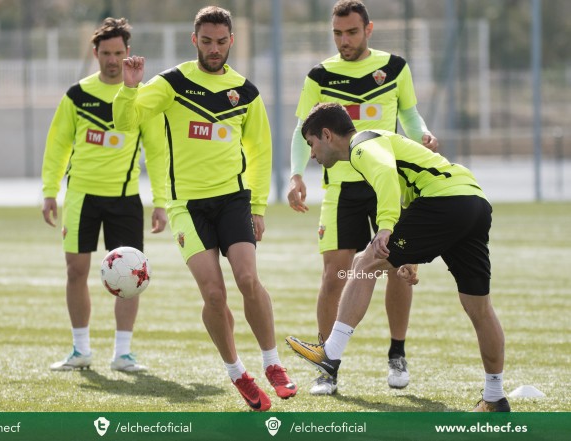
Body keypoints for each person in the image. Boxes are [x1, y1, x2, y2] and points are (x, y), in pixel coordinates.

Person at [113, 6, 297, 412]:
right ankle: (238, 373)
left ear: (231, 41)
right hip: (186, 207)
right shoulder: (172, 83)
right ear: (194, 40)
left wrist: (259, 205)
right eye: (207, 41)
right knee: (214, 294)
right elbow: (126, 124)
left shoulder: (245, 92)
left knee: (248, 279)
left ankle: (273, 363)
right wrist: (129, 88)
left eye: (222, 42)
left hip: (233, 200)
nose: (215, 49)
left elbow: (260, 153)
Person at [286, 102, 509, 412]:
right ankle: (495, 396)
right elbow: (412, 198)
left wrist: (385, 226)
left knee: (366, 261)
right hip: (473, 202)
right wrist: (407, 256)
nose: (311, 153)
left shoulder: (362, 145)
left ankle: (330, 355)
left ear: (327, 135)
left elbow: (386, 175)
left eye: (311, 143)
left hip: (444, 201)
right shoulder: (380, 142)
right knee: (479, 307)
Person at [287, 0, 438, 395]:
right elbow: (301, 130)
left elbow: (410, 114)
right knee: (334, 275)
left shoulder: (396, 68)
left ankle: (397, 352)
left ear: (368, 30)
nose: (344, 40)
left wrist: (422, 133)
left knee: (397, 267)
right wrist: (296, 173)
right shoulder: (319, 74)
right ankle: (326, 366)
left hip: (387, 182)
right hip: (339, 189)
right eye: (337, 33)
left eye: (351, 32)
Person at [41, 17, 167, 373]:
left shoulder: (140, 99)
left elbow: (156, 153)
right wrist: (49, 192)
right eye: (106, 53)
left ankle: (123, 354)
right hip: (81, 196)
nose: (113, 60)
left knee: (131, 278)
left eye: (119, 53)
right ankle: (80, 350)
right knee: (75, 271)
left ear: (128, 54)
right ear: (95, 53)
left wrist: (160, 202)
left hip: (125, 200)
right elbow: (57, 146)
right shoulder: (77, 95)